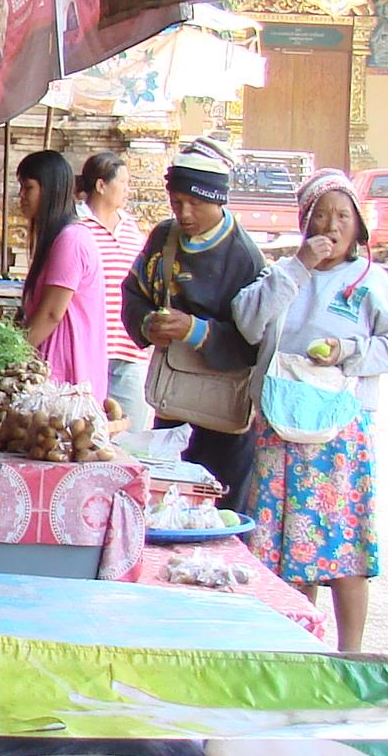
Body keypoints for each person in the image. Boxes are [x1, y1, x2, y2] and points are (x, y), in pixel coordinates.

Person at [232, 170, 388, 654]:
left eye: (342, 217)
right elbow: (248, 322)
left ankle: (350, 654)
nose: (331, 226)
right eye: (321, 215)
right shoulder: (283, 273)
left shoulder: (370, 282)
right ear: (304, 222)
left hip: (339, 435)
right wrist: (299, 267)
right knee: (288, 546)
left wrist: (348, 351)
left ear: (358, 226)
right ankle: (297, 647)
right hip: (278, 429)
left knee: (342, 545)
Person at [122, 137, 268, 501]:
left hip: (224, 415)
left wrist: (196, 331)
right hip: (174, 404)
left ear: (218, 200)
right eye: (177, 203)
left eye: (195, 203)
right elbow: (134, 293)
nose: (184, 213)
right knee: (165, 501)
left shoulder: (245, 258)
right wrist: (148, 324)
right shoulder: (163, 238)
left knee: (219, 508)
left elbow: (255, 344)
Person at [14, 149, 105, 389]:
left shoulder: (71, 240)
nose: (21, 195)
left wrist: (10, 355)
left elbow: (51, 314)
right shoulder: (59, 238)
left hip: (65, 375)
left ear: (50, 190)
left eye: (28, 187)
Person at [77, 151, 153, 431]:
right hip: (87, 350)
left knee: (131, 435)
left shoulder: (132, 229)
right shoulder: (76, 226)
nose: (127, 190)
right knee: (83, 433)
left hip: (129, 350)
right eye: (123, 182)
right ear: (101, 185)